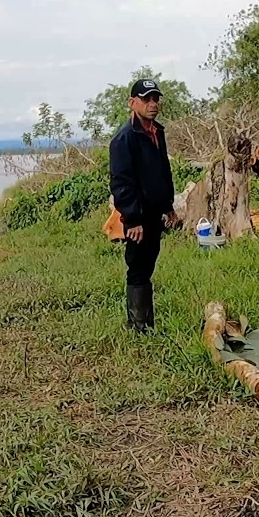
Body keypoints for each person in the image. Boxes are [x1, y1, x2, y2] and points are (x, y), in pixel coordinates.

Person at [109, 77, 179, 333]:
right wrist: (133, 219)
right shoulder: (124, 138)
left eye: (155, 98)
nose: (153, 103)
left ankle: (147, 324)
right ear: (132, 102)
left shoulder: (156, 132)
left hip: (154, 213)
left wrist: (168, 206)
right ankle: (138, 327)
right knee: (137, 268)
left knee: (148, 266)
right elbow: (121, 183)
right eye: (146, 99)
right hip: (137, 216)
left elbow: (163, 171)